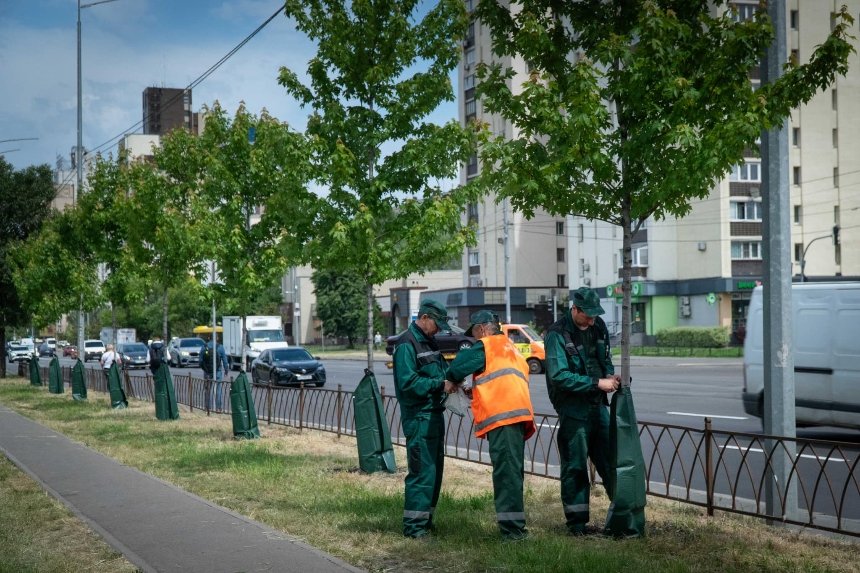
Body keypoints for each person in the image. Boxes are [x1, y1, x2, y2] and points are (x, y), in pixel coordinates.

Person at [445, 310, 536, 541]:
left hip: (502, 417)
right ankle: (515, 526)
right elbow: (499, 379)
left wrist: (454, 381)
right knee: (513, 472)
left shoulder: (486, 346)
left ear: (483, 329)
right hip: (517, 416)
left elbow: (455, 369)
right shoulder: (509, 346)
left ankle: (513, 533)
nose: (474, 338)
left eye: (474, 333)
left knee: (506, 474)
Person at [544, 286, 620, 536]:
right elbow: (559, 376)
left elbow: (605, 358)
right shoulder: (557, 334)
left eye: (595, 315)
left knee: (611, 461)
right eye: (587, 315)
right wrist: (597, 383)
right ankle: (577, 526)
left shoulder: (598, 327)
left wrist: (609, 374)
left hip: (598, 406)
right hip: (573, 410)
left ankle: (621, 515)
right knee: (576, 467)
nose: (591, 320)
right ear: (574, 309)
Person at [391, 298, 451, 539]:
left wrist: (453, 382)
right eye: (436, 323)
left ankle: (426, 522)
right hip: (419, 417)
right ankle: (414, 528)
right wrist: (440, 384)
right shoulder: (407, 344)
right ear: (424, 318)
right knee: (422, 473)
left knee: (434, 472)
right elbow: (408, 384)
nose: (438, 329)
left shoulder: (429, 340)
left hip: (433, 415)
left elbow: (440, 372)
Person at [203, 336, 230, 410]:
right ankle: (218, 408)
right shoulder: (220, 347)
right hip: (218, 372)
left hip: (207, 372)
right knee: (218, 389)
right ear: (217, 338)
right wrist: (226, 370)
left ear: (209, 338)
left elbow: (201, 360)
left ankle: (208, 407)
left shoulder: (205, 346)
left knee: (208, 389)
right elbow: (225, 360)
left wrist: (205, 369)